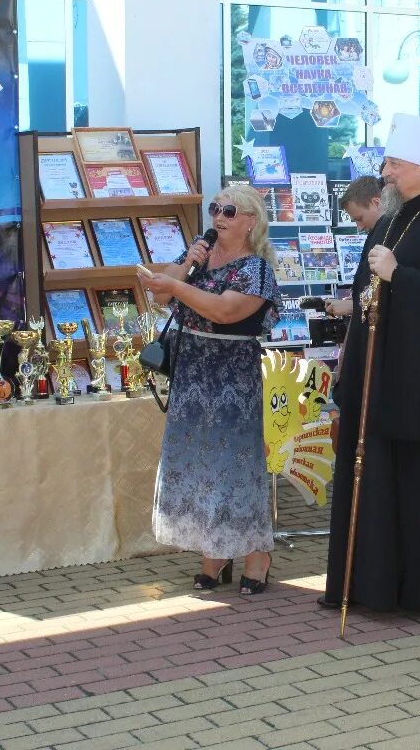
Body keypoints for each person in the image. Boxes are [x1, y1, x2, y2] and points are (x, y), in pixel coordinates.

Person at [318, 113, 420, 620]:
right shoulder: (390, 220)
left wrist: (402, 278)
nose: (386, 173)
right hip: (380, 373)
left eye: (394, 163)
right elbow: (366, 290)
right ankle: (368, 582)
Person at [137, 184, 282, 596]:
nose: (219, 217)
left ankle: (256, 554)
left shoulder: (255, 269)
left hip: (230, 377)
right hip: (192, 374)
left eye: (230, 211)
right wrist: (185, 266)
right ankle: (214, 553)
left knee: (235, 465)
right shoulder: (197, 257)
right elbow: (156, 292)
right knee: (198, 464)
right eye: (215, 209)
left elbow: (224, 311)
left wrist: (178, 284)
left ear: (251, 221)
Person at [325, 176, 384, 319]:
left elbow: (391, 294)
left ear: (376, 203)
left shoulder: (388, 236)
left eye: (359, 218)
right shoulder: (376, 234)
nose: (360, 227)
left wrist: (354, 306)